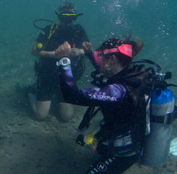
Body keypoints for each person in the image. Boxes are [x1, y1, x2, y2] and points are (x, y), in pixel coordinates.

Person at [55, 37, 147, 174]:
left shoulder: (117, 91)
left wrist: (64, 60)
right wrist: (89, 54)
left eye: (101, 57)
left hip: (124, 153)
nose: (99, 62)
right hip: (122, 136)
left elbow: (72, 95)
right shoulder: (130, 75)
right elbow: (105, 69)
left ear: (112, 59)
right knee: (97, 148)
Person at [29, 2, 89, 121]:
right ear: (59, 17)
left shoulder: (79, 30)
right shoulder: (50, 29)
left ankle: (57, 96)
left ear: (75, 18)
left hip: (67, 78)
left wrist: (80, 51)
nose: (68, 21)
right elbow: (34, 51)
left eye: (71, 18)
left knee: (66, 117)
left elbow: (88, 51)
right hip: (48, 75)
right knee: (41, 115)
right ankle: (31, 91)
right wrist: (54, 54)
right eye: (64, 18)